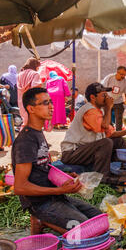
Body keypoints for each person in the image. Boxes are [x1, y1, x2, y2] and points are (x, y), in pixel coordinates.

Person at [12, 87, 102, 230]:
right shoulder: (26, 141)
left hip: (55, 196)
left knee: (99, 218)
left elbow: (42, 169)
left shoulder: (38, 133)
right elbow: (20, 187)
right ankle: (41, 219)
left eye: (51, 102)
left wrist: (64, 178)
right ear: (31, 109)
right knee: (87, 229)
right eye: (45, 103)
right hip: (40, 203)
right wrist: (60, 190)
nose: (51, 106)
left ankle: (42, 222)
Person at [60, 83, 126, 175]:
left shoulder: (98, 110)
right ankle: (102, 177)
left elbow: (111, 133)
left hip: (85, 150)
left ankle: (119, 170)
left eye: (106, 95)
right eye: (103, 95)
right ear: (93, 97)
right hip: (72, 153)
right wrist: (108, 107)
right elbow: (105, 126)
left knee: (118, 140)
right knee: (106, 143)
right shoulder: (89, 110)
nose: (107, 98)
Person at [101, 66, 126, 131]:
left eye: (124, 75)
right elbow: (102, 89)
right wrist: (105, 100)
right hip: (108, 100)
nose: (123, 76)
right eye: (121, 74)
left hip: (118, 101)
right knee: (107, 118)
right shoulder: (109, 78)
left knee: (119, 118)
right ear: (117, 72)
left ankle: (118, 134)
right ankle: (109, 132)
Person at [17, 58, 42, 128]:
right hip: (31, 101)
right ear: (35, 65)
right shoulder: (35, 74)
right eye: (38, 66)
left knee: (25, 120)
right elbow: (35, 88)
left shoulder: (20, 74)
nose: (38, 68)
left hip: (21, 100)